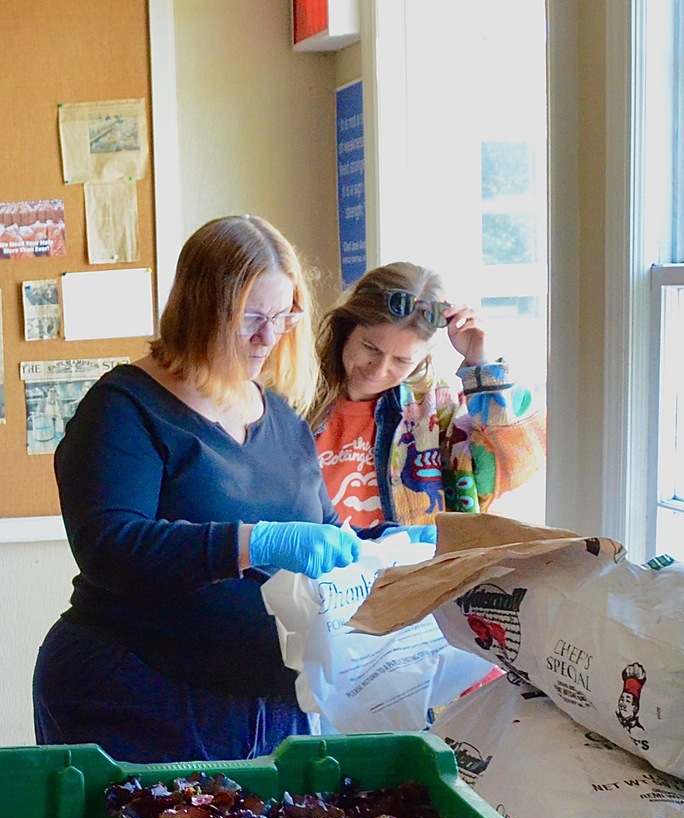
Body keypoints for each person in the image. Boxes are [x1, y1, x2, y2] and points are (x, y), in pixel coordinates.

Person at [31, 214, 359, 764]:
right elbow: (110, 546)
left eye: (283, 315)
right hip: (141, 696)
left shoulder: (282, 418)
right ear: (200, 313)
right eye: (251, 317)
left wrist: (389, 550)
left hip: (273, 709)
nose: (268, 336)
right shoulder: (126, 408)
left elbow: (322, 535)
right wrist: (254, 542)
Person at [309, 262, 544, 532]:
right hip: (306, 572)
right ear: (346, 328)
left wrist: (481, 364)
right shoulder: (293, 398)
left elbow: (519, 466)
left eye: (401, 360)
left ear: (422, 358)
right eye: (370, 348)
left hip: (411, 572)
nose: (380, 369)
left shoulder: (437, 411)